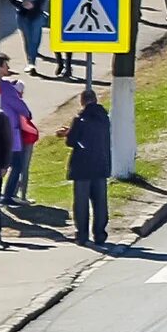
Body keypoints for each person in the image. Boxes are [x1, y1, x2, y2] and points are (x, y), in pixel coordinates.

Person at [66, 89, 114, 246]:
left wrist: (67, 133)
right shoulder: (104, 118)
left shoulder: (80, 119)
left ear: (82, 101)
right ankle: (100, 234)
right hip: (101, 164)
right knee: (100, 202)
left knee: (81, 203)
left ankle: (82, 235)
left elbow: (72, 141)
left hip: (82, 167)